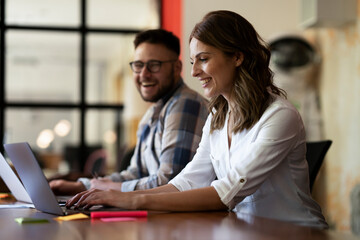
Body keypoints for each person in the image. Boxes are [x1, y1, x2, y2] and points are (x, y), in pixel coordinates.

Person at [65, 10, 328, 229]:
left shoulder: (279, 116)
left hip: (295, 233)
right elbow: (188, 180)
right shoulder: (217, 115)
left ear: (237, 57)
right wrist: (120, 196)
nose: (194, 71)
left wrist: (132, 201)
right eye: (192, 61)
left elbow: (226, 193)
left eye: (203, 59)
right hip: (244, 229)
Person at [50, 29, 209, 195]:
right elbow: (135, 174)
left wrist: (109, 188)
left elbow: (170, 184)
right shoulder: (151, 114)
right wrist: (84, 186)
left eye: (154, 65)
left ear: (177, 68)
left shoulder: (185, 104)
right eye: (138, 65)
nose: (144, 74)